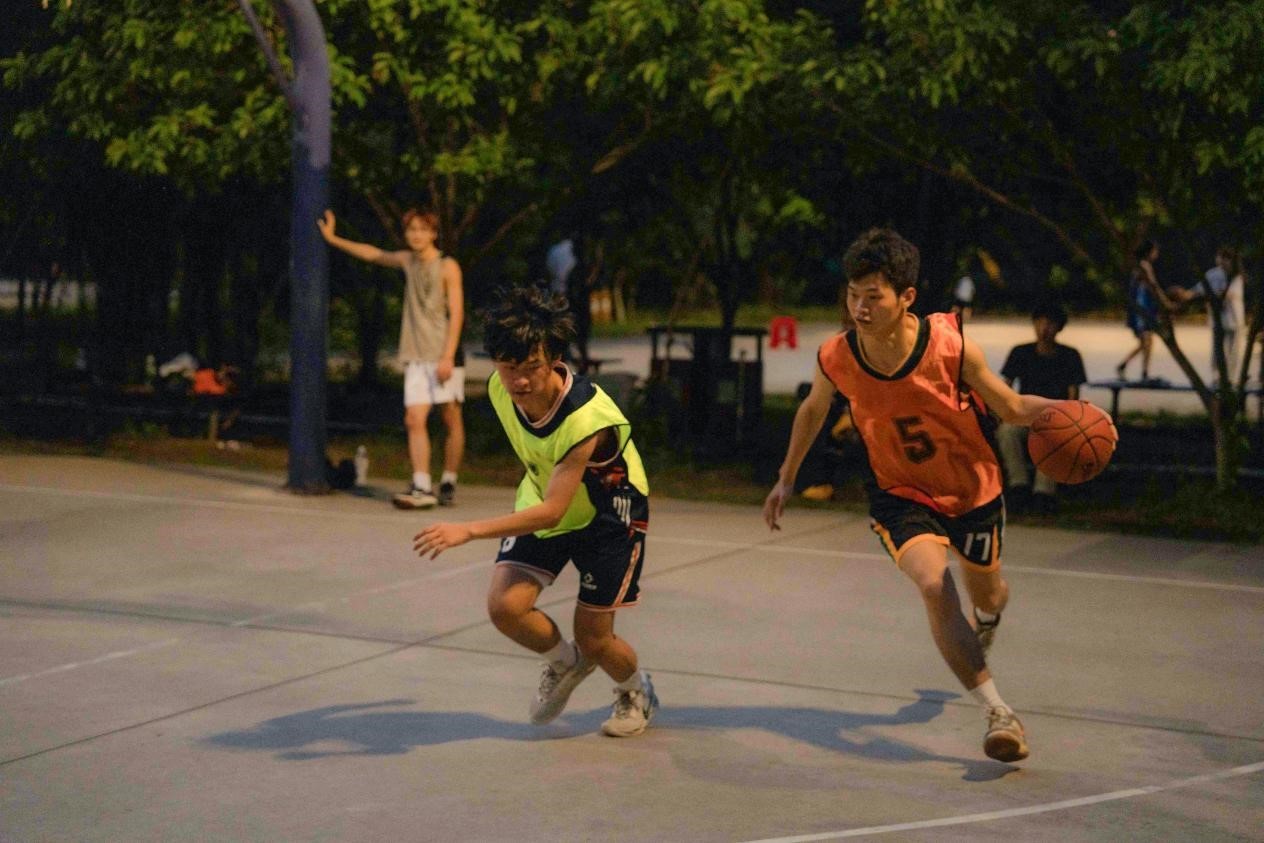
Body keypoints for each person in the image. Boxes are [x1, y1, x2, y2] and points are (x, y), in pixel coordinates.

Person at [763, 227, 1067, 763]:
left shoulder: (950, 346)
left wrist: (1073, 415)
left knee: (988, 595)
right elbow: (813, 409)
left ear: (906, 297)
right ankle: (999, 712)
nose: (859, 308)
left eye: (873, 297)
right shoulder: (838, 355)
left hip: (972, 489)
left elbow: (1012, 408)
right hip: (900, 493)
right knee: (932, 582)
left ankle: (989, 617)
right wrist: (786, 476)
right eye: (852, 295)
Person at [413, 285, 657, 737]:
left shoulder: (585, 419)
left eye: (532, 368)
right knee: (505, 607)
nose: (520, 381)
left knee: (594, 638)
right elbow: (546, 492)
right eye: (509, 368)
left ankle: (635, 691)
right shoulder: (500, 388)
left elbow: (552, 513)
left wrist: (469, 530)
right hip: (546, 496)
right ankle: (565, 664)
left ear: (555, 359)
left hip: (609, 517)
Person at [318, 208, 465, 509]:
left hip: (443, 353)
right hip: (416, 354)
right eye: (412, 229)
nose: (416, 235)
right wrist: (333, 239)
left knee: (450, 417)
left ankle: (449, 479)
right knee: (414, 418)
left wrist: (448, 356)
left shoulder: (448, 266)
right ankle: (422, 484)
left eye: (422, 229)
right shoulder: (407, 261)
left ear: (433, 233)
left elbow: (457, 312)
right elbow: (373, 253)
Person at [996, 302, 1087, 515]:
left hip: (1055, 418)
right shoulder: (1020, 352)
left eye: (1050, 324)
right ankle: (1018, 486)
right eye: (1040, 323)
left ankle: (1043, 494)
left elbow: (1073, 395)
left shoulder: (1070, 356)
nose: (1044, 328)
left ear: (1059, 328)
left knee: (1053, 437)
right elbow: (1005, 387)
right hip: (1026, 416)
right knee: (1007, 432)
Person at [1169, 246, 1247, 383]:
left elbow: (1229, 294)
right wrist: (1183, 295)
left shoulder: (1236, 276)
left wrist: (1208, 295)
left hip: (1234, 319)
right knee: (1217, 351)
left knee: (1232, 352)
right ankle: (1216, 378)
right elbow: (1197, 290)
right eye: (1221, 257)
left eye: (1226, 258)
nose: (1223, 261)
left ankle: (1230, 379)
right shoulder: (1212, 274)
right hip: (1217, 320)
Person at [1116, 239, 1163, 383]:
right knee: (1147, 341)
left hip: (1143, 307)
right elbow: (1152, 286)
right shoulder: (1144, 266)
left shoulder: (1141, 266)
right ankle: (1143, 372)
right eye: (1155, 251)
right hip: (1143, 308)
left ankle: (1126, 366)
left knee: (1146, 342)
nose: (1156, 254)